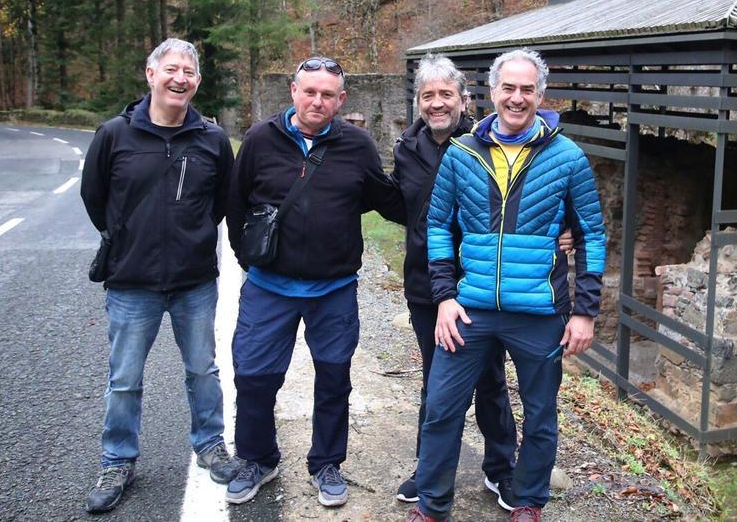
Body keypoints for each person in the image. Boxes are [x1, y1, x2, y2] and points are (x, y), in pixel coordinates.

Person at [405, 48, 607, 522]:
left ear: (540, 94)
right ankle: (432, 506)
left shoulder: (568, 157)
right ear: (491, 92)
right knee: (441, 409)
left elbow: (591, 235)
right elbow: (438, 228)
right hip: (469, 310)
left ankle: (528, 500)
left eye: (527, 89)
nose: (517, 98)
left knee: (540, 416)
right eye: (508, 88)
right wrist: (444, 298)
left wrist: (584, 311)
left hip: (539, 312)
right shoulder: (462, 153)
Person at [225, 55, 402, 508]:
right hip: (269, 287)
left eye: (328, 95)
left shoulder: (357, 145)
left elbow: (386, 200)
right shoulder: (261, 140)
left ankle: (327, 463)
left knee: (333, 377)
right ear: (293, 91)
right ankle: (257, 459)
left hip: (334, 290)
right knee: (254, 376)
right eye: (310, 91)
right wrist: (250, 258)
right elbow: (236, 203)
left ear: (341, 100)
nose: (317, 101)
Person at [80, 38, 239, 514]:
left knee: (202, 370)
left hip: (194, 281)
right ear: (150, 74)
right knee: (124, 378)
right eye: (171, 70)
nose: (180, 79)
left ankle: (210, 445)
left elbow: (220, 205)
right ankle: (117, 461)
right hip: (131, 282)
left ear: (197, 82)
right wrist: (129, 238)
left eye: (188, 72)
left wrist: (188, 238)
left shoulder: (212, 139)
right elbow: (95, 198)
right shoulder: (114, 135)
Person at [389, 54, 520, 511]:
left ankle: (501, 470)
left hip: (481, 285)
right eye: (428, 96)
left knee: (488, 380)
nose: (437, 103)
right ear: (419, 102)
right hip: (427, 288)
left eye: (446, 94)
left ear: (463, 99)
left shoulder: (486, 144)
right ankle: (429, 471)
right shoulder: (406, 149)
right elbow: (401, 206)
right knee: (436, 381)